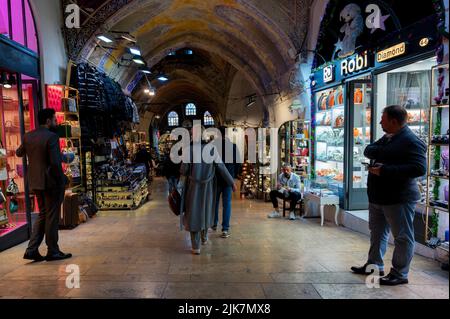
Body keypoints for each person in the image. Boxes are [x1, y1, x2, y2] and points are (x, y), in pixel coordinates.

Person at [351, 105, 427, 286]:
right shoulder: (388, 137)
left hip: (398, 198)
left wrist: (385, 169)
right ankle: (374, 265)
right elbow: (368, 150)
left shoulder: (411, 141)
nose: (379, 122)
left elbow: (419, 169)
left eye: (382, 119)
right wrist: (385, 155)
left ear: (394, 121)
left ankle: (400, 273)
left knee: (402, 237)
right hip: (378, 196)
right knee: (377, 233)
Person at [16, 108, 72, 261]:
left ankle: (32, 249)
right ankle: (53, 250)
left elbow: (18, 152)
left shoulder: (28, 136)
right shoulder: (52, 137)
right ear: (48, 121)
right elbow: (55, 163)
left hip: (35, 182)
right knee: (52, 216)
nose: (56, 122)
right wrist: (62, 179)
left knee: (43, 214)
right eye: (55, 120)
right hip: (51, 183)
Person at [180, 139, 236, 255]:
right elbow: (221, 167)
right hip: (208, 187)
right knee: (206, 210)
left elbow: (183, 170)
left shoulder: (188, 150)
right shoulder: (212, 149)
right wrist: (231, 182)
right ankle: (204, 238)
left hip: (193, 187)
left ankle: (196, 247)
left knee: (193, 212)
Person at [213, 134, 241, 238]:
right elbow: (238, 162)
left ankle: (214, 223)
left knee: (214, 203)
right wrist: (234, 175)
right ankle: (225, 229)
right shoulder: (233, 146)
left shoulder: (214, 146)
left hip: (216, 179)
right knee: (227, 204)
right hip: (228, 179)